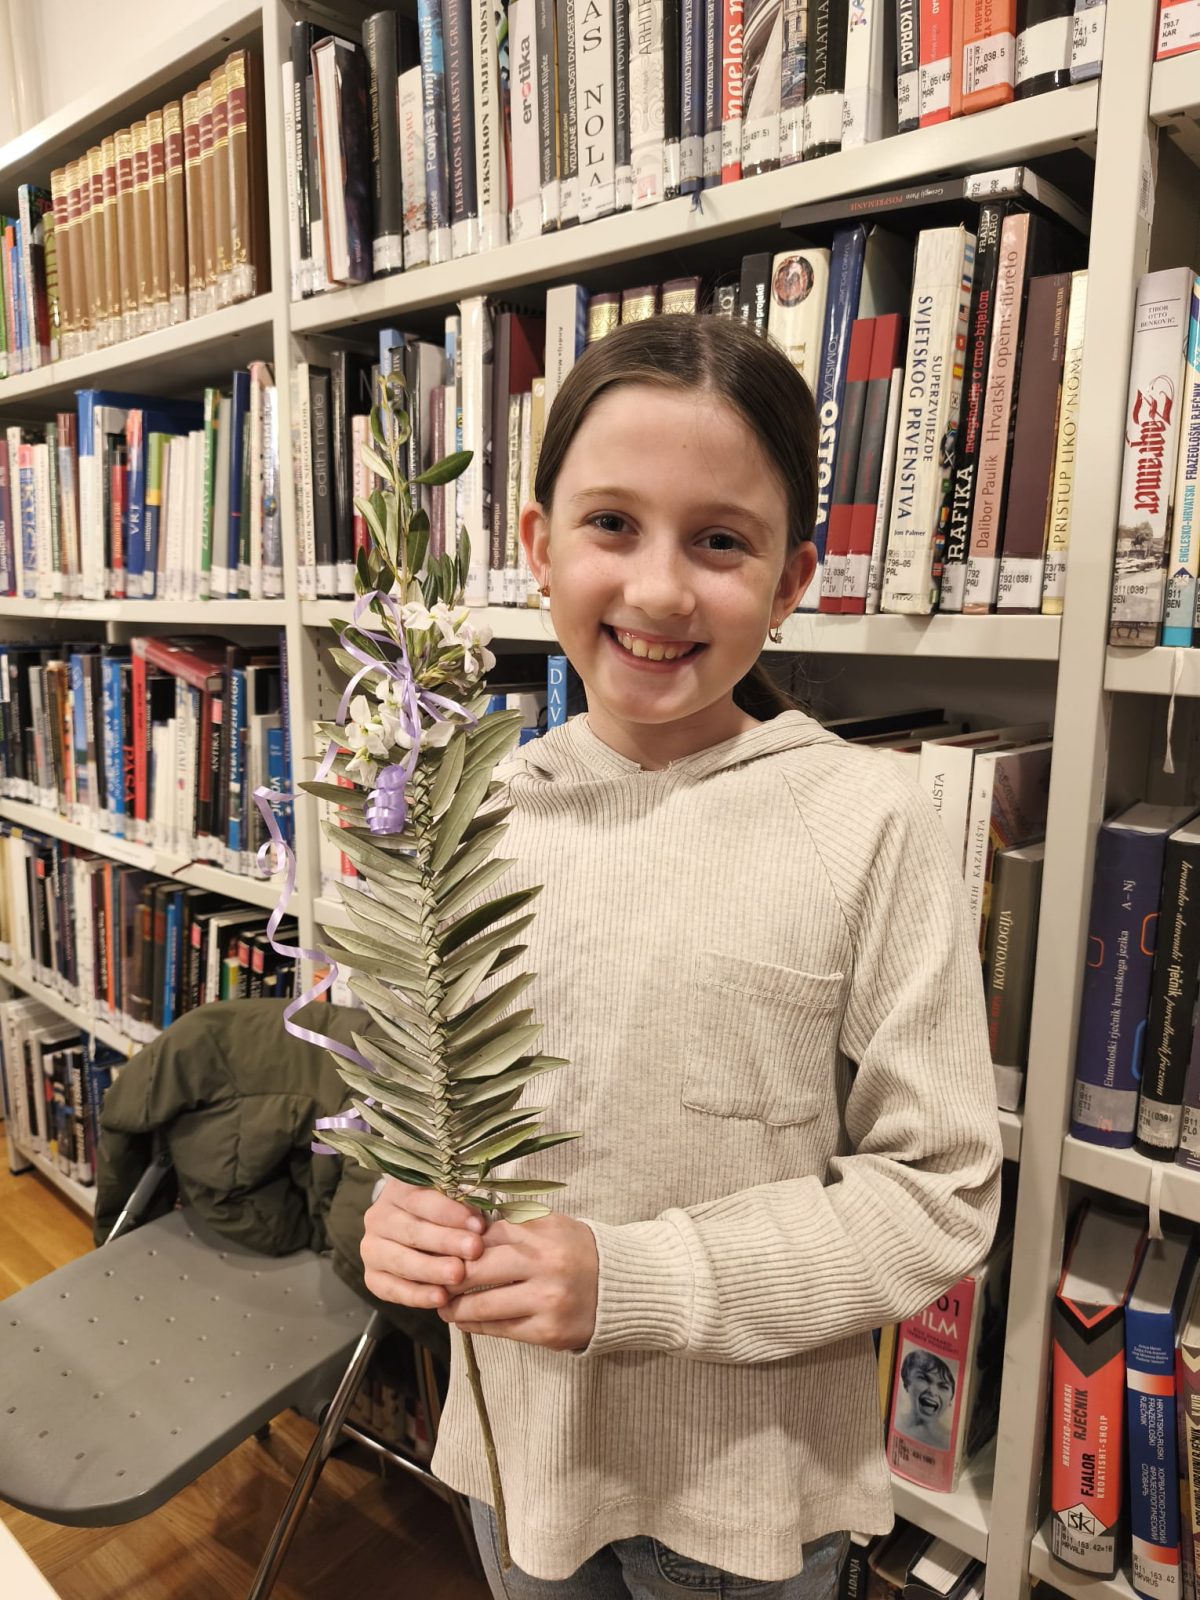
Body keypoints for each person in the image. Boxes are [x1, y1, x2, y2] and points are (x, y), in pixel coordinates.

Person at [359, 313, 1003, 1599]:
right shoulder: (463, 819)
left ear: (792, 579)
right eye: (612, 523)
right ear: (538, 544)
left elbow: (938, 1191)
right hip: (518, 1458)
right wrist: (402, 1215)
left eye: (720, 541)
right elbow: (426, 1111)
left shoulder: (867, 819)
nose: (659, 590)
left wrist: (634, 1279)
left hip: (747, 1492)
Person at [894, 1350, 958, 1454]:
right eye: (923, 1379)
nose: (932, 1391)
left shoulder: (949, 1441)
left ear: (950, 1399)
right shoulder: (896, 1422)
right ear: (906, 1384)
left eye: (943, 1386)